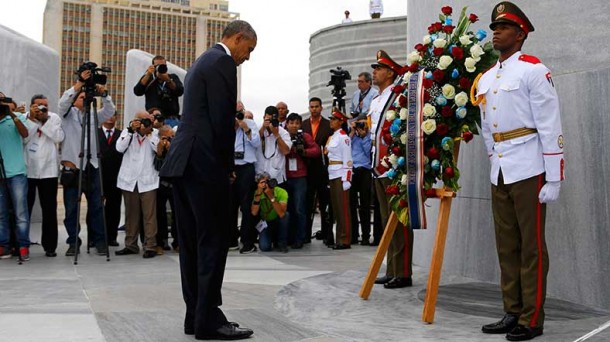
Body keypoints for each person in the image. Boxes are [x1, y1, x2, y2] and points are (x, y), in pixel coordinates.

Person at [159, 20, 257, 340]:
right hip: (204, 164)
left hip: (183, 163)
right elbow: (220, 118)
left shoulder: (201, 60)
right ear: (239, 38)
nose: (247, 57)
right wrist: (227, 165)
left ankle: (195, 316)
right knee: (213, 241)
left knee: (190, 244)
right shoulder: (223, 62)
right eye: (249, 49)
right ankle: (210, 319)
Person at [477, 3, 564, 341]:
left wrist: (554, 175)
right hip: (500, 169)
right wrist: (492, 158)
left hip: (529, 168)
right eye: (494, 26)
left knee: (531, 247)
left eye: (503, 26)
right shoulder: (487, 77)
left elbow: (549, 122)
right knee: (506, 245)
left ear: (520, 33)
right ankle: (511, 310)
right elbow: (487, 127)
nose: (495, 31)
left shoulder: (533, 70)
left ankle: (532, 317)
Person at [59, 67, 116, 256]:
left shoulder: (93, 115)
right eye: (81, 98)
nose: (85, 99)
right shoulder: (66, 115)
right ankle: (73, 242)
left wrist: (104, 95)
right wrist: (79, 84)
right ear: (75, 101)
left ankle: (100, 242)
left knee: (97, 207)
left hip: (93, 166)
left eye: (86, 97)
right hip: (74, 167)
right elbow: (62, 103)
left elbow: (110, 111)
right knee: (71, 209)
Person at [369, 50, 413, 289]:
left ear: (390, 72)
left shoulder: (397, 96)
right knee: (386, 220)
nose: (375, 71)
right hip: (378, 164)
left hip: (393, 166)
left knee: (399, 219)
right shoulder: (377, 100)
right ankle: (392, 268)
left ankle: (403, 271)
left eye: (378, 68)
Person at [114, 111, 159, 259]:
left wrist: (150, 132)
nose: (144, 123)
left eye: (147, 121)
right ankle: (130, 245)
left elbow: (159, 150)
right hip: (130, 180)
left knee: (149, 216)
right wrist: (130, 130)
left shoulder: (154, 133)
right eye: (141, 120)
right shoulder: (128, 133)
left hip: (148, 181)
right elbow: (119, 148)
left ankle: (150, 246)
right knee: (131, 215)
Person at [24, 95, 64, 257]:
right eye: (39, 105)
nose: (42, 108)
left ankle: (50, 246)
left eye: (45, 105)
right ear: (32, 106)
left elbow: (58, 137)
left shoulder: (53, 117)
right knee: (24, 208)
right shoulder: (25, 117)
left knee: (49, 209)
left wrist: (45, 120)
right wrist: (34, 120)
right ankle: (21, 243)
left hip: (49, 171)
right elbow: (24, 137)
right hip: (28, 170)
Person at [0, 93, 31, 260]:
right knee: (1, 213)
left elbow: (25, 134)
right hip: (1, 175)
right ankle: (3, 246)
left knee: (20, 212)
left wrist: (12, 115)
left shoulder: (17, 117)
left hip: (17, 172)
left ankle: (23, 245)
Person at [284, 113, 321, 249]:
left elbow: (316, 150)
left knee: (300, 209)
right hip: (285, 176)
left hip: (300, 176)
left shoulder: (304, 136)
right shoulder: (283, 135)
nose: (294, 125)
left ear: (300, 125)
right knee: (287, 209)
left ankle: (300, 238)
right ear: (287, 124)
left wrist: (303, 151)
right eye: (291, 123)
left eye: (297, 123)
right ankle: (287, 237)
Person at [302, 97, 334, 245]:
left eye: (316, 106)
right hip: (307, 169)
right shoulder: (303, 125)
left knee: (325, 204)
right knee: (307, 204)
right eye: (311, 107)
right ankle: (305, 235)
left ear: (321, 108)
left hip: (323, 169)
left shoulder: (328, 125)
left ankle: (327, 234)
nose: (314, 109)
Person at [232, 104, 261, 254]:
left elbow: (256, 143)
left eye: (240, 111)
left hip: (246, 168)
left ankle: (247, 241)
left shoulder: (249, 124)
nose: (238, 114)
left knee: (246, 206)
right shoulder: (225, 123)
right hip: (231, 168)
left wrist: (245, 127)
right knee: (230, 205)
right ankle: (231, 240)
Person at [325, 110, 353, 250]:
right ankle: (339, 238)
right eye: (331, 119)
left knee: (343, 209)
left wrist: (347, 178)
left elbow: (348, 159)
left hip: (341, 174)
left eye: (334, 119)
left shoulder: (343, 138)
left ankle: (345, 239)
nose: (331, 121)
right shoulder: (334, 136)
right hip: (332, 173)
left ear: (341, 121)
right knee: (336, 208)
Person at [133, 55, 184, 126]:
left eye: (163, 65)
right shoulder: (149, 79)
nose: (160, 68)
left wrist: (168, 80)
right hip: (154, 119)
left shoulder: (172, 77)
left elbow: (180, 91)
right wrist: (148, 74)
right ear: (153, 66)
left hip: (171, 118)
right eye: (157, 66)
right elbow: (137, 91)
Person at [98, 113, 123, 247]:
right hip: (98, 176)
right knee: (96, 207)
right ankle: (95, 237)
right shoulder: (94, 133)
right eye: (107, 115)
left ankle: (111, 236)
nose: (110, 118)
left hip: (116, 177)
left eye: (113, 115)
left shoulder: (121, 134)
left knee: (114, 208)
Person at [250, 172, 289, 252]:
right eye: (262, 182)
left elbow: (281, 214)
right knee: (264, 247)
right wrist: (258, 194)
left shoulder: (281, 192)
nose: (266, 184)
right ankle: (272, 239)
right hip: (266, 223)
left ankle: (282, 243)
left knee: (286, 215)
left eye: (267, 181)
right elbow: (254, 212)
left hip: (278, 221)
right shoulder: (257, 193)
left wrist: (271, 196)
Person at [348, 116, 372, 245]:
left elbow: (369, 152)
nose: (361, 126)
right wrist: (352, 132)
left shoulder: (369, 136)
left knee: (365, 204)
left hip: (365, 170)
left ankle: (366, 235)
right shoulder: (351, 136)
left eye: (363, 124)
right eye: (359, 124)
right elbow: (345, 146)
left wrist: (363, 137)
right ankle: (353, 234)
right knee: (351, 204)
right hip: (352, 170)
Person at [154, 125, 177, 254]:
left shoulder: (177, 145)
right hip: (161, 184)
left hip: (175, 184)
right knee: (159, 214)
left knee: (177, 215)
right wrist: (160, 153)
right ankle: (160, 243)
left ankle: (177, 242)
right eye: (167, 137)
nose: (169, 140)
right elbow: (157, 167)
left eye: (172, 136)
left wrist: (172, 149)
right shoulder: (156, 145)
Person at [257, 106, 292, 185]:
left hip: (277, 177)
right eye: (268, 120)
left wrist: (276, 134)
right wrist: (263, 128)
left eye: (272, 120)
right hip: (259, 175)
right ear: (264, 118)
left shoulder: (283, 133)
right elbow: (253, 143)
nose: (270, 122)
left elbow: (286, 151)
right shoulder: (258, 129)